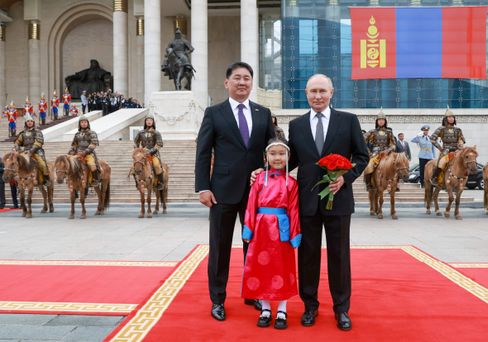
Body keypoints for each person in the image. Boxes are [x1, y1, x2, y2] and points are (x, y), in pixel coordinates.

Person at [195, 62, 275, 321]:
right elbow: (203, 151)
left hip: (256, 193)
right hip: (221, 191)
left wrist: (270, 177)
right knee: (219, 247)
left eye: (247, 78)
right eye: (237, 78)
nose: (242, 83)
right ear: (227, 82)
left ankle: (253, 292)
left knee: (253, 245)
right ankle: (217, 299)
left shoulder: (263, 112)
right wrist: (203, 187)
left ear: (252, 83)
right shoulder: (214, 113)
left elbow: (270, 149)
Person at [287, 74, 369, 331]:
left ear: (332, 92)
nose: (318, 96)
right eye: (313, 91)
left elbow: (362, 156)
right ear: (306, 93)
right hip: (307, 201)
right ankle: (310, 306)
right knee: (307, 256)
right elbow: (292, 161)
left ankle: (341, 309)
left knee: (339, 256)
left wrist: (347, 177)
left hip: (339, 200)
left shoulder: (348, 120)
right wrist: (266, 171)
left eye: (322, 91)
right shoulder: (296, 125)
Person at [242, 137, 301, 329]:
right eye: (273, 154)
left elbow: (293, 210)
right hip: (261, 229)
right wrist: (248, 228)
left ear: (288, 157)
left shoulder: (291, 183)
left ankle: (282, 308)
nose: (277, 157)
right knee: (262, 268)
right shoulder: (258, 179)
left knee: (282, 267)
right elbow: (251, 204)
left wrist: (294, 234)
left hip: (281, 230)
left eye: (282, 154)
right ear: (265, 157)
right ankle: (265, 308)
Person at [430, 107, 466, 187]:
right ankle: (435, 178)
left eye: (453, 117)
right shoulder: (441, 129)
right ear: (445, 119)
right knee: (441, 163)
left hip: (457, 150)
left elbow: (462, 139)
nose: (451, 119)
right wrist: (440, 148)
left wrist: (460, 145)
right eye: (449, 117)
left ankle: (463, 177)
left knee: (466, 161)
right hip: (446, 150)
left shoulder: (458, 130)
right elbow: (432, 139)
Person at [13, 113, 51, 186]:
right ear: (26, 123)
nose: (29, 122)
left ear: (33, 122)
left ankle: (46, 178)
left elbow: (39, 142)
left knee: (42, 164)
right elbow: (17, 143)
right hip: (24, 152)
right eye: (28, 121)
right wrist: (19, 148)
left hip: (36, 151)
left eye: (31, 121)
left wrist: (31, 150)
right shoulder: (22, 133)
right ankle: (17, 180)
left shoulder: (37, 131)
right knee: (14, 163)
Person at [363, 109, 396, 190]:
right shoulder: (372, 132)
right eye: (379, 120)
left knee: (397, 166)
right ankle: (368, 184)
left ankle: (395, 184)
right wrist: (369, 152)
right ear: (376, 121)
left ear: (385, 121)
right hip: (375, 154)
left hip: (387, 153)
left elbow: (393, 145)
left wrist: (388, 150)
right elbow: (362, 141)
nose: (381, 121)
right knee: (369, 166)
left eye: (382, 120)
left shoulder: (389, 132)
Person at [133, 113, 165, 190]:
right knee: (133, 166)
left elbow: (159, 144)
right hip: (143, 154)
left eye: (150, 120)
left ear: (153, 122)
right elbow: (136, 141)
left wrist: (151, 151)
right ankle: (137, 182)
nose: (149, 121)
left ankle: (160, 182)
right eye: (147, 120)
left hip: (153, 154)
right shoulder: (141, 132)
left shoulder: (156, 133)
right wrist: (138, 150)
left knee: (157, 165)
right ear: (145, 122)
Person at [69, 115, 101, 186]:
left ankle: (95, 179)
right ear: (79, 124)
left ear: (88, 123)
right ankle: (70, 180)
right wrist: (71, 152)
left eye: (85, 122)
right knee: (69, 164)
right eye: (82, 122)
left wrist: (85, 151)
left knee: (92, 165)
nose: (84, 123)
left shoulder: (92, 133)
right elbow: (74, 145)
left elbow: (93, 144)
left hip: (88, 154)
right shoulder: (77, 134)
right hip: (78, 154)